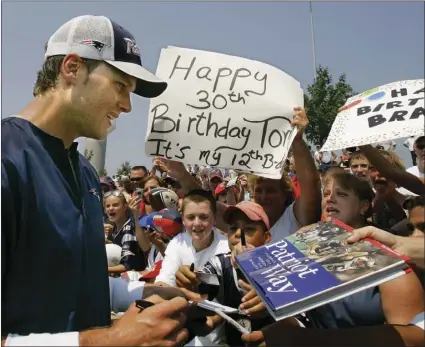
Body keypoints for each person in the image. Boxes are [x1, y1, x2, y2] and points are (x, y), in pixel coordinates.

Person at [1, 14, 189, 346]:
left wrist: (147, 291)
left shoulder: (85, 171)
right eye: (120, 85)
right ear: (72, 68)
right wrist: (106, 342)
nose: (128, 106)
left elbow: (71, 276)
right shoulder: (7, 158)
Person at [241, 171, 424, 346]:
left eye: (341, 194)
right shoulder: (304, 238)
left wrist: (307, 340)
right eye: (326, 193)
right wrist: (273, 305)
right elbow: (304, 316)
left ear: (363, 206)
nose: (330, 199)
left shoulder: (386, 255)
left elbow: (412, 339)